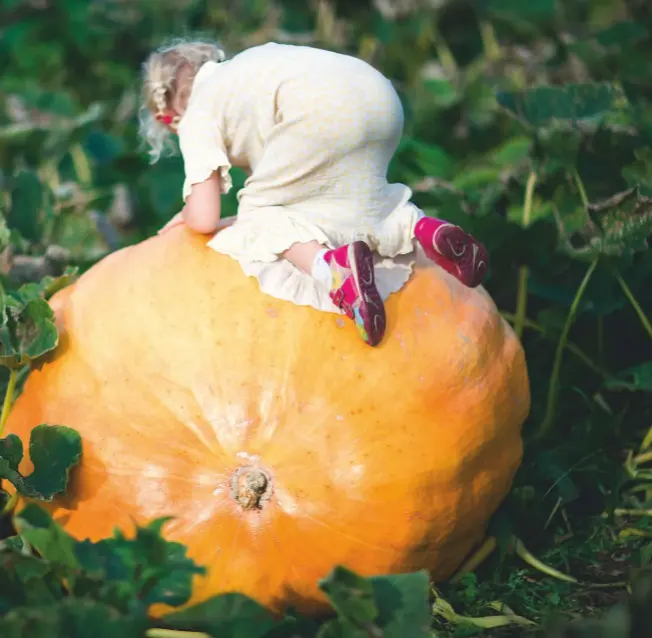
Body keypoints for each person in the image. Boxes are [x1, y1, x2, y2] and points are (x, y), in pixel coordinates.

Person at [140, 39, 488, 347]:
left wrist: (184, 213)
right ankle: (424, 230)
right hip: (378, 94)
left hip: (318, 113)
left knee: (258, 215)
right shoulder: (249, 68)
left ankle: (332, 270)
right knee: (360, 199)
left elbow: (204, 218)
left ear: (165, 118)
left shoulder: (197, 112)